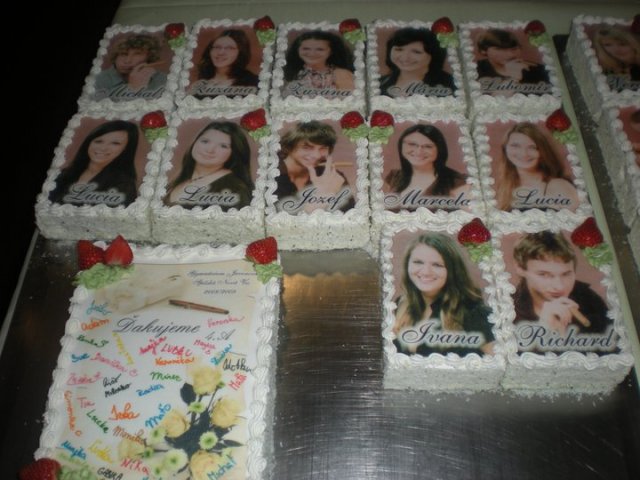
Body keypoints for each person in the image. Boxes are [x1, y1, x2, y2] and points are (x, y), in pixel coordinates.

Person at [392, 232, 495, 357]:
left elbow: (499, 361)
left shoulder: (474, 312)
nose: (426, 272)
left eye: (437, 265)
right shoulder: (400, 305)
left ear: (452, 270)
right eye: (418, 262)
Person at [512, 231, 609, 334]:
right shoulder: (508, 308)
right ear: (520, 268)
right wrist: (545, 328)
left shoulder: (591, 301)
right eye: (544, 274)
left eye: (566, 274)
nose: (559, 287)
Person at [164, 121, 254, 210]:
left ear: (234, 153)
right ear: (195, 142)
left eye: (223, 146)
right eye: (205, 141)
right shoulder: (179, 180)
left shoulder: (236, 189)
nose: (210, 150)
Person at [49, 120, 139, 207]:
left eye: (115, 143)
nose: (103, 148)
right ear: (89, 142)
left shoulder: (124, 185)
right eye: (98, 141)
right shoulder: (64, 174)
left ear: (125, 149)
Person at [495, 122, 579, 212]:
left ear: (542, 152)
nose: (524, 153)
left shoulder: (558, 186)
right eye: (515, 146)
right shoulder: (505, 189)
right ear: (505, 149)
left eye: (532, 147)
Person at [384, 124, 469, 211]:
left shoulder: (457, 183)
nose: (419, 151)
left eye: (428, 146)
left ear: (439, 150)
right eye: (412, 144)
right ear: (401, 145)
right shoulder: (394, 177)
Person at [275, 121, 354, 214]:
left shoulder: (333, 177)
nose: (316, 155)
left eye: (323, 148)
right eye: (306, 147)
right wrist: (324, 194)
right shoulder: (270, 176)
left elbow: (349, 216)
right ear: (289, 147)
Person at [379, 27, 455, 98]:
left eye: (416, 52)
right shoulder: (380, 82)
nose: (405, 57)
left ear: (434, 55)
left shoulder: (450, 84)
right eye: (399, 49)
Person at [475, 29, 550, 95]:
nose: (510, 54)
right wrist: (514, 77)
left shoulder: (539, 71)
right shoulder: (475, 70)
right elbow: (493, 101)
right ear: (483, 50)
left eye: (514, 49)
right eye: (500, 49)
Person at [94, 34, 167, 101]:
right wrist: (132, 87)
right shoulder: (99, 80)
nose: (127, 61)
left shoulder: (162, 79)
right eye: (123, 54)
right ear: (116, 57)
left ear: (150, 57)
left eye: (137, 54)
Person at [189, 29, 259, 99]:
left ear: (240, 53)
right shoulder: (200, 83)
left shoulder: (253, 82)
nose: (220, 52)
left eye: (229, 48)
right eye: (217, 47)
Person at [283, 30, 355, 97]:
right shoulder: (295, 74)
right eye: (306, 49)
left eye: (320, 49)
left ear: (331, 52)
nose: (312, 53)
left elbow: (349, 101)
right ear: (298, 50)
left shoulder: (341, 74)